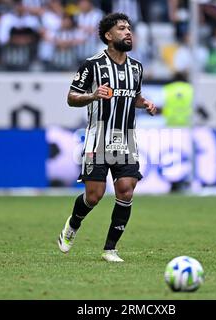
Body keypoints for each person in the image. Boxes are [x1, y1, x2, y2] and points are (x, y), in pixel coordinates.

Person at [57, 13, 156, 262]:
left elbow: (134, 97)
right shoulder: (92, 65)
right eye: (122, 28)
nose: (128, 32)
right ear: (109, 36)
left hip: (126, 138)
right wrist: (92, 96)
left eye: (129, 28)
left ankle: (110, 249)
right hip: (97, 138)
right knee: (94, 195)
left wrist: (145, 104)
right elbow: (71, 98)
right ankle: (73, 224)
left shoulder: (137, 67)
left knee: (125, 190)